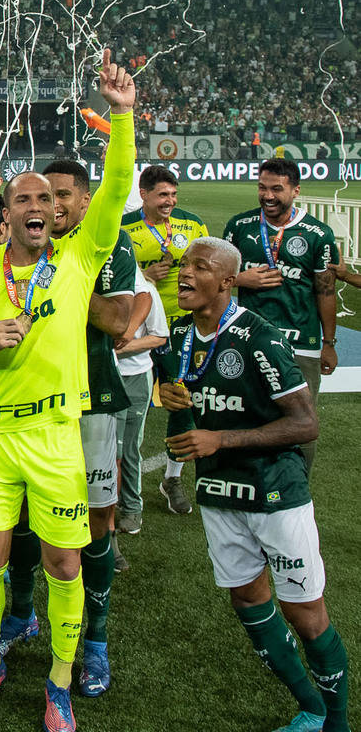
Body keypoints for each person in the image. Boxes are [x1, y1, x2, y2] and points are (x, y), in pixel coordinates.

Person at [0, 50, 135, 732]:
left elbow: (113, 193)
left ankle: (58, 682)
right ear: (6, 212)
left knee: (61, 560)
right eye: (22, 197)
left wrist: (122, 117)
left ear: (56, 214)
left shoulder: (79, 259)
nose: (34, 205)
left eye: (44, 199)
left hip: (56, 435)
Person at [156, 237, 349, 732]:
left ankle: (338, 723)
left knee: (304, 612)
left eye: (199, 267)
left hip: (275, 494)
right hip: (219, 495)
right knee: (247, 600)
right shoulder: (180, 336)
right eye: (183, 265)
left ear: (226, 281)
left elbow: (306, 424)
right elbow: (186, 415)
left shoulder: (258, 336)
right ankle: (311, 708)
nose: (184, 274)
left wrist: (220, 438)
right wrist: (174, 401)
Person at [0, 159, 135, 697]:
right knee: (26, 515)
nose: (48, 208)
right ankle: (22, 611)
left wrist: (63, 281)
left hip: (94, 398)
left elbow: (118, 321)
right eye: (38, 198)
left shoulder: (104, 247)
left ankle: (95, 641)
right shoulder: (17, 253)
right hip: (30, 404)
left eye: (59, 197)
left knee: (96, 522)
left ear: (82, 201)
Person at [223, 158, 339, 470]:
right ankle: (247, 481)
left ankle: (296, 489)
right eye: (262, 187)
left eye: (277, 189)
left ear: (296, 190)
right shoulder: (239, 226)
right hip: (247, 339)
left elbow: (325, 292)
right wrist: (240, 280)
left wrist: (329, 343)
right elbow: (215, 280)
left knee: (301, 423)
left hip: (301, 343)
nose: (268, 195)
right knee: (243, 415)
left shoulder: (318, 234)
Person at [121, 163, 207, 515]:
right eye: (162, 194)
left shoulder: (192, 223)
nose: (170, 200)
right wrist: (143, 274)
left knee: (181, 400)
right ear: (143, 194)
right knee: (124, 408)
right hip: (135, 327)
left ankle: (172, 477)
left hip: (183, 327)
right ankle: (115, 480)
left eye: (173, 194)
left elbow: (208, 266)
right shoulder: (124, 228)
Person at [111, 257, 167, 551]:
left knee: (129, 448)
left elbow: (159, 336)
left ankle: (131, 507)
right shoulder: (103, 289)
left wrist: (121, 348)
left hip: (135, 378)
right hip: (103, 378)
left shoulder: (147, 292)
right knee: (109, 451)